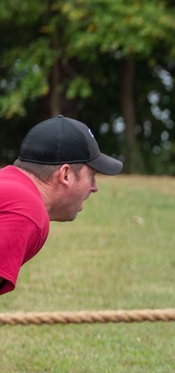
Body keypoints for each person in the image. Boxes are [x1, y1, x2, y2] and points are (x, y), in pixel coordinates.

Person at [1, 116, 122, 295]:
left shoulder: (9, 184)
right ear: (65, 175)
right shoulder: (27, 211)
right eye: (92, 175)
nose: (95, 187)